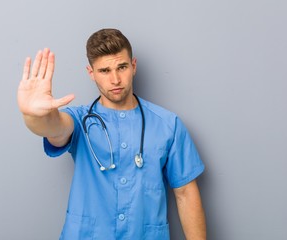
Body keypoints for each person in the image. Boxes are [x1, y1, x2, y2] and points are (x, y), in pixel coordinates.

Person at [18, 28, 206, 240]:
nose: (115, 79)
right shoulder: (80, 120)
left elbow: (185, 194)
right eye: (104, 71)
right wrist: (32, 116)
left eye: (122, 67)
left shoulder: (168, 124)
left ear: (133, 66)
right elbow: (52, 126)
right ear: (91, 73)